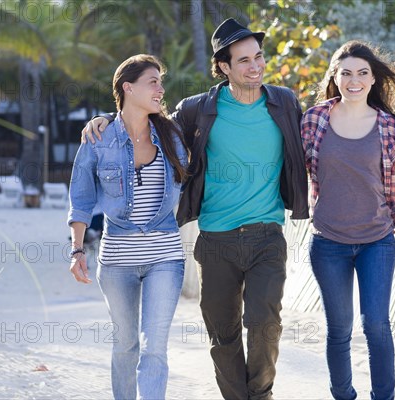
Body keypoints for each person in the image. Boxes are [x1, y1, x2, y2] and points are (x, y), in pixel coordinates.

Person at [82, 18, 309, 400]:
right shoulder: (198, 110)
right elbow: (148, 125)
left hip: (267, 233)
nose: (255, 66)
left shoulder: (284, 102)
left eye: (259, 57)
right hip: (215, 239)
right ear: (223, 67)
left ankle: (261, 394)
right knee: (222, 333)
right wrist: (108, 118)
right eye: (244, 61)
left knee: (265, 323)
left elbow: (321, 130)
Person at [301, 40, 395, 400]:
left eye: (362, 73)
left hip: (377, 242)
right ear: (335, 77)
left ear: (372, 79)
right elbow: (293, 170)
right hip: (328, 243)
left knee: (377, 326)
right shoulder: (314, 120)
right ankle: (344, 395)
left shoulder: (387, 127)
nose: (354, 80)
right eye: (346, 72)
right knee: (338, 329)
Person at [68, 54, 189, 399]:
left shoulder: (172, 135)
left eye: (161, 82)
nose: (161, 89)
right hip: (117, 261)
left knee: (155, 347)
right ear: (128, 87)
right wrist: (77, 249)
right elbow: (81, 198)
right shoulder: (98, 139)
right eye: (153, 82)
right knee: (125, 345)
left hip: (164, 256)